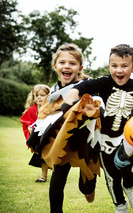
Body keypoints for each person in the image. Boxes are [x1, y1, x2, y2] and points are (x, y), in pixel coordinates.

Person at [64, 44, 133, 213]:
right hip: (105, 141)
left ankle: (130, 187)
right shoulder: (103, 83)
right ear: (109, 66)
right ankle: (119, 205)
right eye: (114, 66)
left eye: (124, 66)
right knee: (112, 177)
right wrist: (73, 93)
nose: (119, 70)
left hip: (127, 140)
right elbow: (83, 86)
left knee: (131, 170)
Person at [26, 43, 97, 213]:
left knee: (87, 190)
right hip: (62, 143)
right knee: (57, 182)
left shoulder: (88, 86)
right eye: (62, 62)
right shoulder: (53, 93)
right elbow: (45, 116)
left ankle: (88, 187)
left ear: (80, 67)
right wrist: (36, 128)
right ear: (55, 66)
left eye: (72, 63)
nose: (67, 66)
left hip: (85, 145)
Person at [20, 84, 50, 182]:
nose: (40, 98)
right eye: (37, 96)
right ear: (34, 97)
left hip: (50, 137)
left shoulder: (51, 108)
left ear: (48, 95)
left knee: (53, 156)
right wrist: (30, 130)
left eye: (42, 95)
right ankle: (43, 176)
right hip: (38, 139)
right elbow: (26, 122)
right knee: (42, 156)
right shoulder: (32, 109)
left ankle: (56, 175)